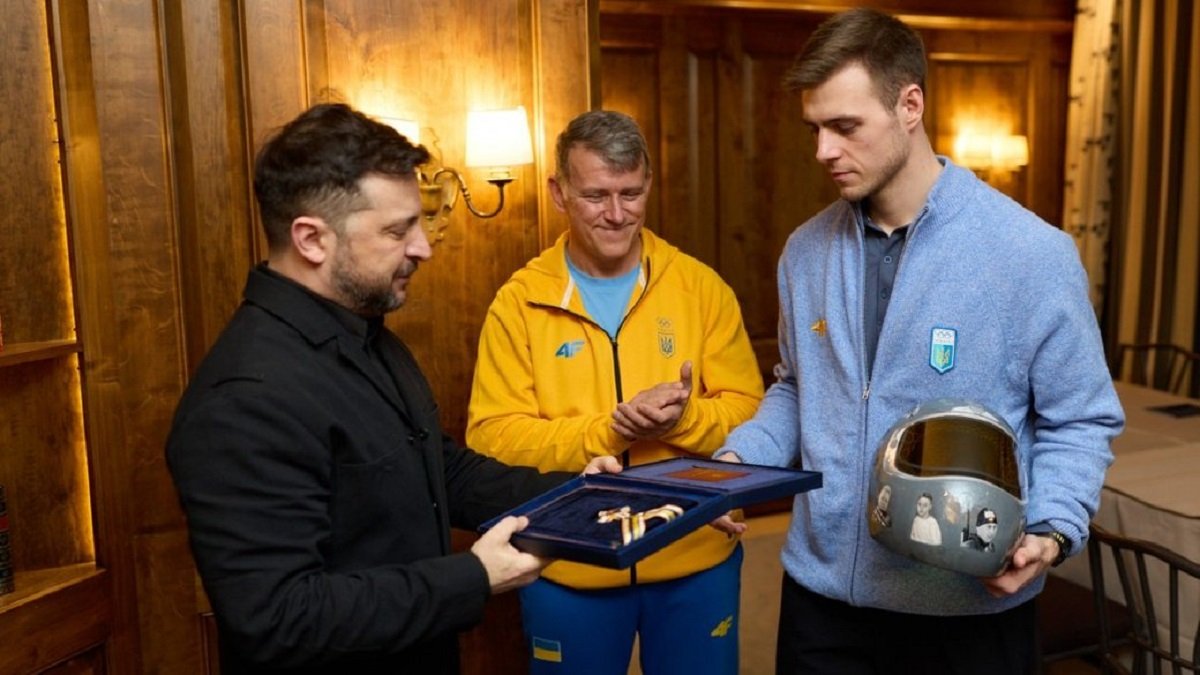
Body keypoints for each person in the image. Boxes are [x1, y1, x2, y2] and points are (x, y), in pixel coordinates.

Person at [713, 8, 1124, 674]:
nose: (823, 151)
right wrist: (736, 462)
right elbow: (796, 387)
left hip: (969, 610)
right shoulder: (804, 252)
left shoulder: (1032, 254)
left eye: (845, 127)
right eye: (815, 129)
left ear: (910, 105)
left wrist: (1051, 529)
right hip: (823, 604)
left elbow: (1079, 417)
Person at [165, 103, 620, 675]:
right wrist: (474, 576)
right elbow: (278, 618)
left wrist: (577, 495)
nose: (424, 246)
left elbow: (441, 471)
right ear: (311, 239)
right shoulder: (244, 397)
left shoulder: (368, 333)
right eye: (397, 230)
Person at [466, 110, 764, 675]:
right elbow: (491, 438)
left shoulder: (702, 288)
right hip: (567, 564)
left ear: (649, 184)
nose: (616, 213)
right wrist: (609, 430)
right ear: (558, 193)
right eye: (595, 195)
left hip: (695, 556)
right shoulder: (519, 303)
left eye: (631, 193)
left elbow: (752, 415)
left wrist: (680, 421)